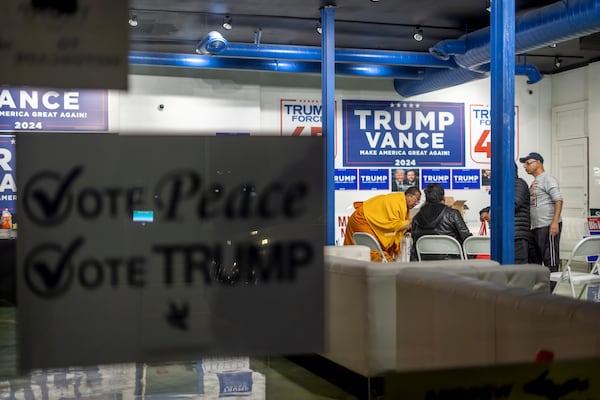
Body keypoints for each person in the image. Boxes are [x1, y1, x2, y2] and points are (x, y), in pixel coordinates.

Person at [344, 186, 421, 262]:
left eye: (418, 202)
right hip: (362, 219)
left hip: (369, 220)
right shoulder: (397, 202)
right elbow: (393, 225)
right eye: (416, 200)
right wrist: (409, 223)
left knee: (379, 249)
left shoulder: (401, 202)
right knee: (371, 250)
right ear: (409, 196)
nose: (416, 204)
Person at [478, 163, 532, 263]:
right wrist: (485, 211)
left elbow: (512, 205)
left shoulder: (519, 183)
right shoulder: (506, 186)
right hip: (507, 235)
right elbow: (499, 205)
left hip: (517, 236)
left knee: (517, 270)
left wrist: (492, 215)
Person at [519, 152, 563, 273]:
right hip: (536, 227)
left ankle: (551, 290)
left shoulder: (548, 178)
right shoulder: (535, 181)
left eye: (528, 163)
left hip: (548, 225)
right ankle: (539, 289)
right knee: (535, 261)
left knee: (550, 261)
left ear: (538, 163)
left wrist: (554, 222)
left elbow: (558, 200)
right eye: (524, 164)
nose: (525, 166)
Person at [410, 183, 472, 261]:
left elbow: (415, 242)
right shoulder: (453, 214)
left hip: (424, 263)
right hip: (451, 264)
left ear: (426, 198)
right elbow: (467, 240)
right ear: (443, 197)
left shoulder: (417, 217)